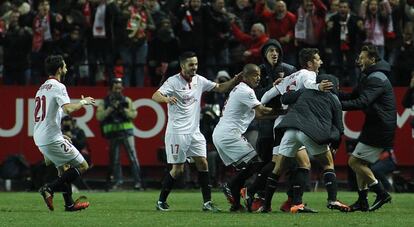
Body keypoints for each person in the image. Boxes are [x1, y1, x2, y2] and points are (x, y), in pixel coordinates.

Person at [152, 51, 241, 212]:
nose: (194, 67)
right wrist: (166, 99)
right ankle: (161, 201)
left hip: (194, 132)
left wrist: (235, 80)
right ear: (182, 65)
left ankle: (207, 203)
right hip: (177, 132)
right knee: (178, 169)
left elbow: (220, 88)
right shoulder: (172, 82)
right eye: (191, 64)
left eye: (196, 64)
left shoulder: (199, 80)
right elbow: (155, 95)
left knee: (203, 163)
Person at [261, 74, 350, 213]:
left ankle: (266, 206)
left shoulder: (305, 91)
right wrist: (335, 146)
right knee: (328, 163)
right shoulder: (334, 99)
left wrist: (286, 84)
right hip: (309, 131)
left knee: (277, 169)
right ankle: (332, 200)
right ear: (333, 86)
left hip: (290, 129)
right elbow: (340, 129)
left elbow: (285, 98)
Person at [34, 55, 95, 211]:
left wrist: (60, 134)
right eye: (65, 66)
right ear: (60, 69)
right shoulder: (58, 86)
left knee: (64, 169)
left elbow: (52, 114)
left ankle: (69, 204)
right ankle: (49, 188)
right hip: (50, 138)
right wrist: (83, 102)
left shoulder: (42, 88)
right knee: (82, 165)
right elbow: (68, 109)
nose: (67, 68)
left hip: (41, 136)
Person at [212, 64, 277, 211]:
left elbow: (259, 115)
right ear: (245, 77)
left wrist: (279, 114)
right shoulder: (246, 91)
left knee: (247, 167)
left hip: (223, 133)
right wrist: (285, 111)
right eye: (254, 74)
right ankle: (230, 186)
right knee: (255, 163)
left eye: (259, 74)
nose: (258, 77)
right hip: (229, 134)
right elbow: (261, 110)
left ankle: (235, 204)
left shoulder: (241, 89)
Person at [340, 44, 396, 212]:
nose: (359, 60)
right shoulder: (369, 76)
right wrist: (333, 93)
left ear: (372, 60)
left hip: (380, 127)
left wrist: (336, 106)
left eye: (362, 57)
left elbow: (362, 102)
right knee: (360, 162)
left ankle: (381, 193)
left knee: (354, 162)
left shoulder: (376, 78)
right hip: (375, 125)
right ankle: (362, 201)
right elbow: (352, 96)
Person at [96, 78, 143, 190]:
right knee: (115, 160)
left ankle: (138, 182)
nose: (118, 89)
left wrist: (124, 110)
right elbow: (99, 116)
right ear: (111, 88)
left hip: (127, 132)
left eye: (120, 87)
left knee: (133, 157)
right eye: (116, 87)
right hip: (113, 134)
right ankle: (118, 182)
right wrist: (110, 109)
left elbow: (134, 114)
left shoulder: (127, 100)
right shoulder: (105, 102)